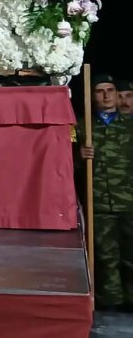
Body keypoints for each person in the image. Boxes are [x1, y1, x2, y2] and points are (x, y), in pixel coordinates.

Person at [79, 73, 132, 310]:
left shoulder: (130, 126)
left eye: (110, 90)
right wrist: (79, 156)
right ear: (93, 96)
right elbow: (64, 164)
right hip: (99, 202)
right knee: (106, 256)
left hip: (129, 202)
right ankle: (111, 304)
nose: (106, 95)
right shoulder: (83, 127)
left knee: (130, 256)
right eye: (100, 91)